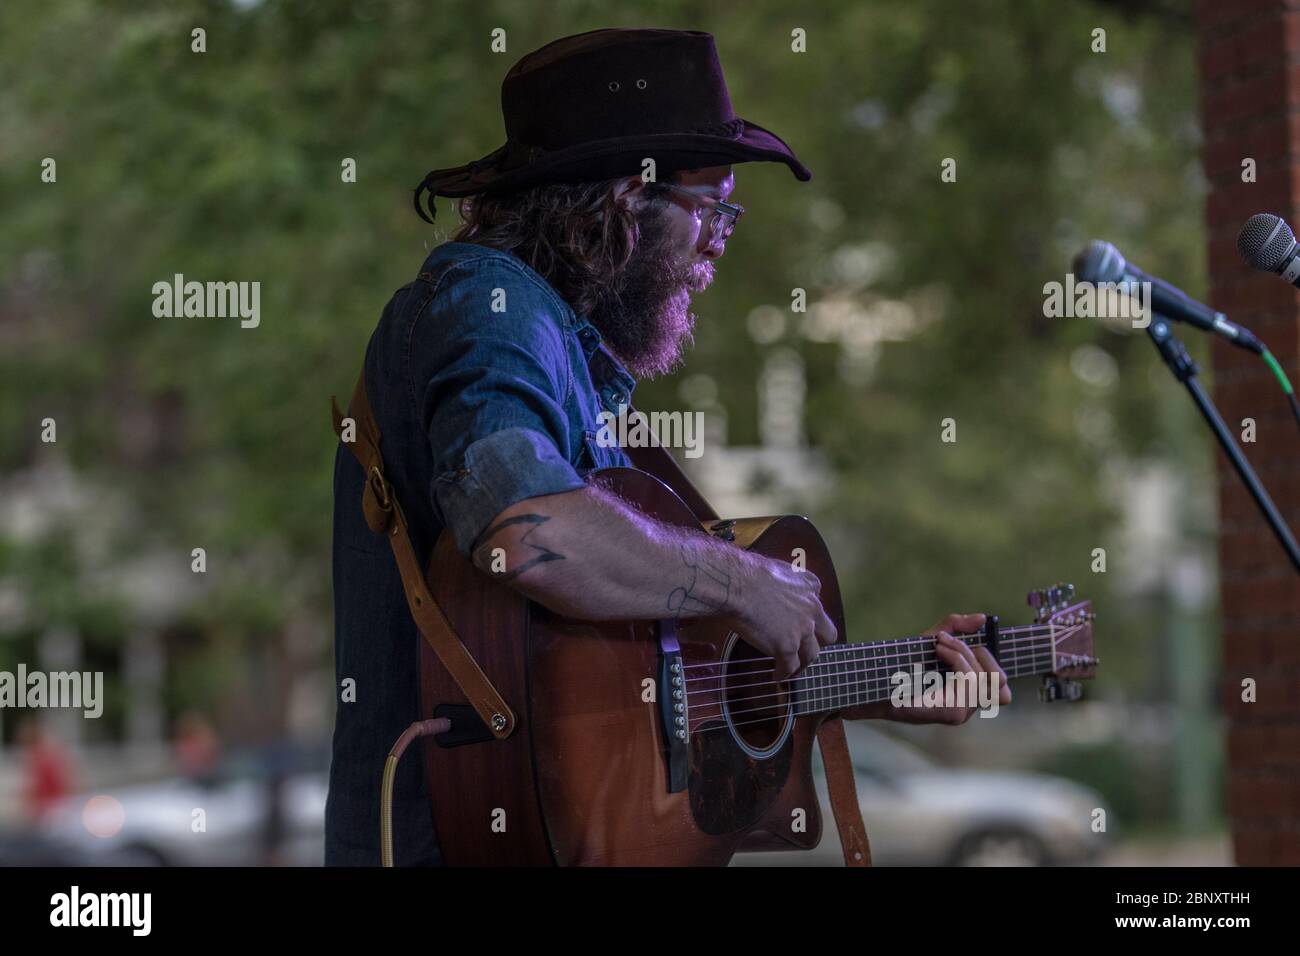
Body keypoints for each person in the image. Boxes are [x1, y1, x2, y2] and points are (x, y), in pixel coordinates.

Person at [326, 27, 1009, 867]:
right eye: (711, 205)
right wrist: (747, 579)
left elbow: (635, 693)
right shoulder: (488, 302)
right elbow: (522, 530)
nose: (724, 235)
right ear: (623, 198)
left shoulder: (573, 354)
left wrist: (886, 684)